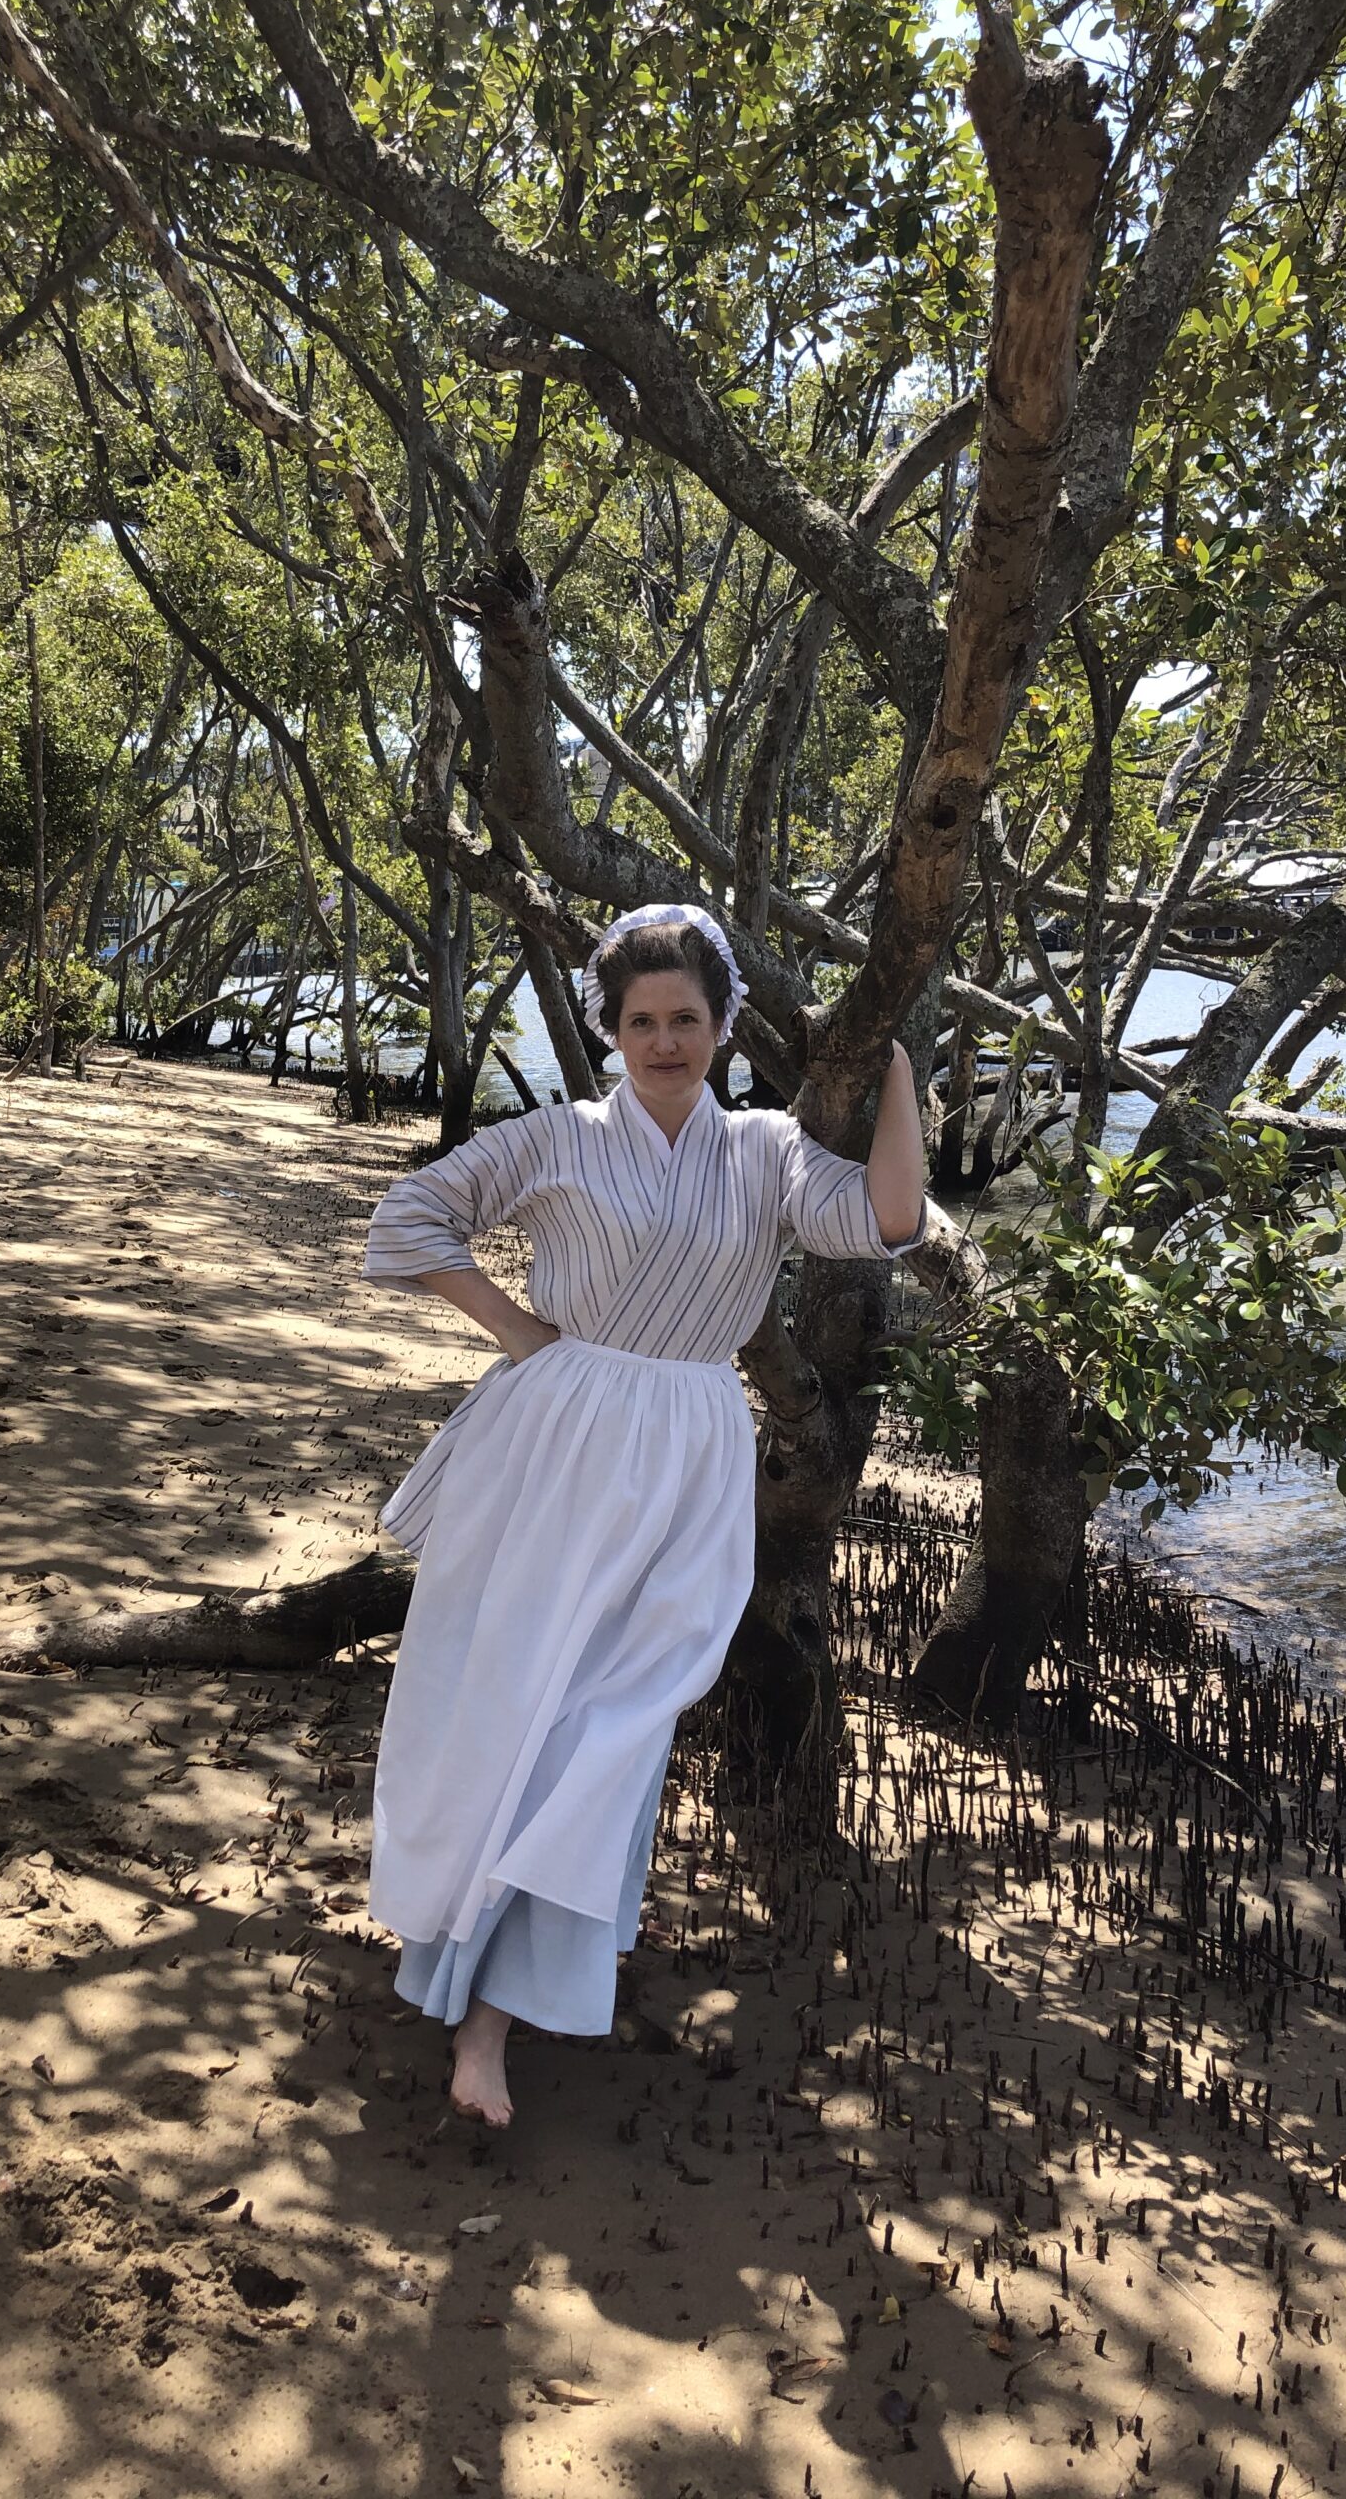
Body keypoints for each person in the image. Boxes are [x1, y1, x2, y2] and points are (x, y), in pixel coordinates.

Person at [359, 900, 932, 2125]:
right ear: (610, 1029)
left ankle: (504, 1994)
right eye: (639, 1021)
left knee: (616, 1725)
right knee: (514, 1700)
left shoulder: (769, 1150)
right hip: (552, 1442)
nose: (663, 1041)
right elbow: (407, 1221)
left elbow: (890, 1220)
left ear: (724, 1028)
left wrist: (889, 1060)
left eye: (685, 1019)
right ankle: (480, 2016)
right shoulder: (559, 1137)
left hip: (689, 1449)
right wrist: (517, 1330)